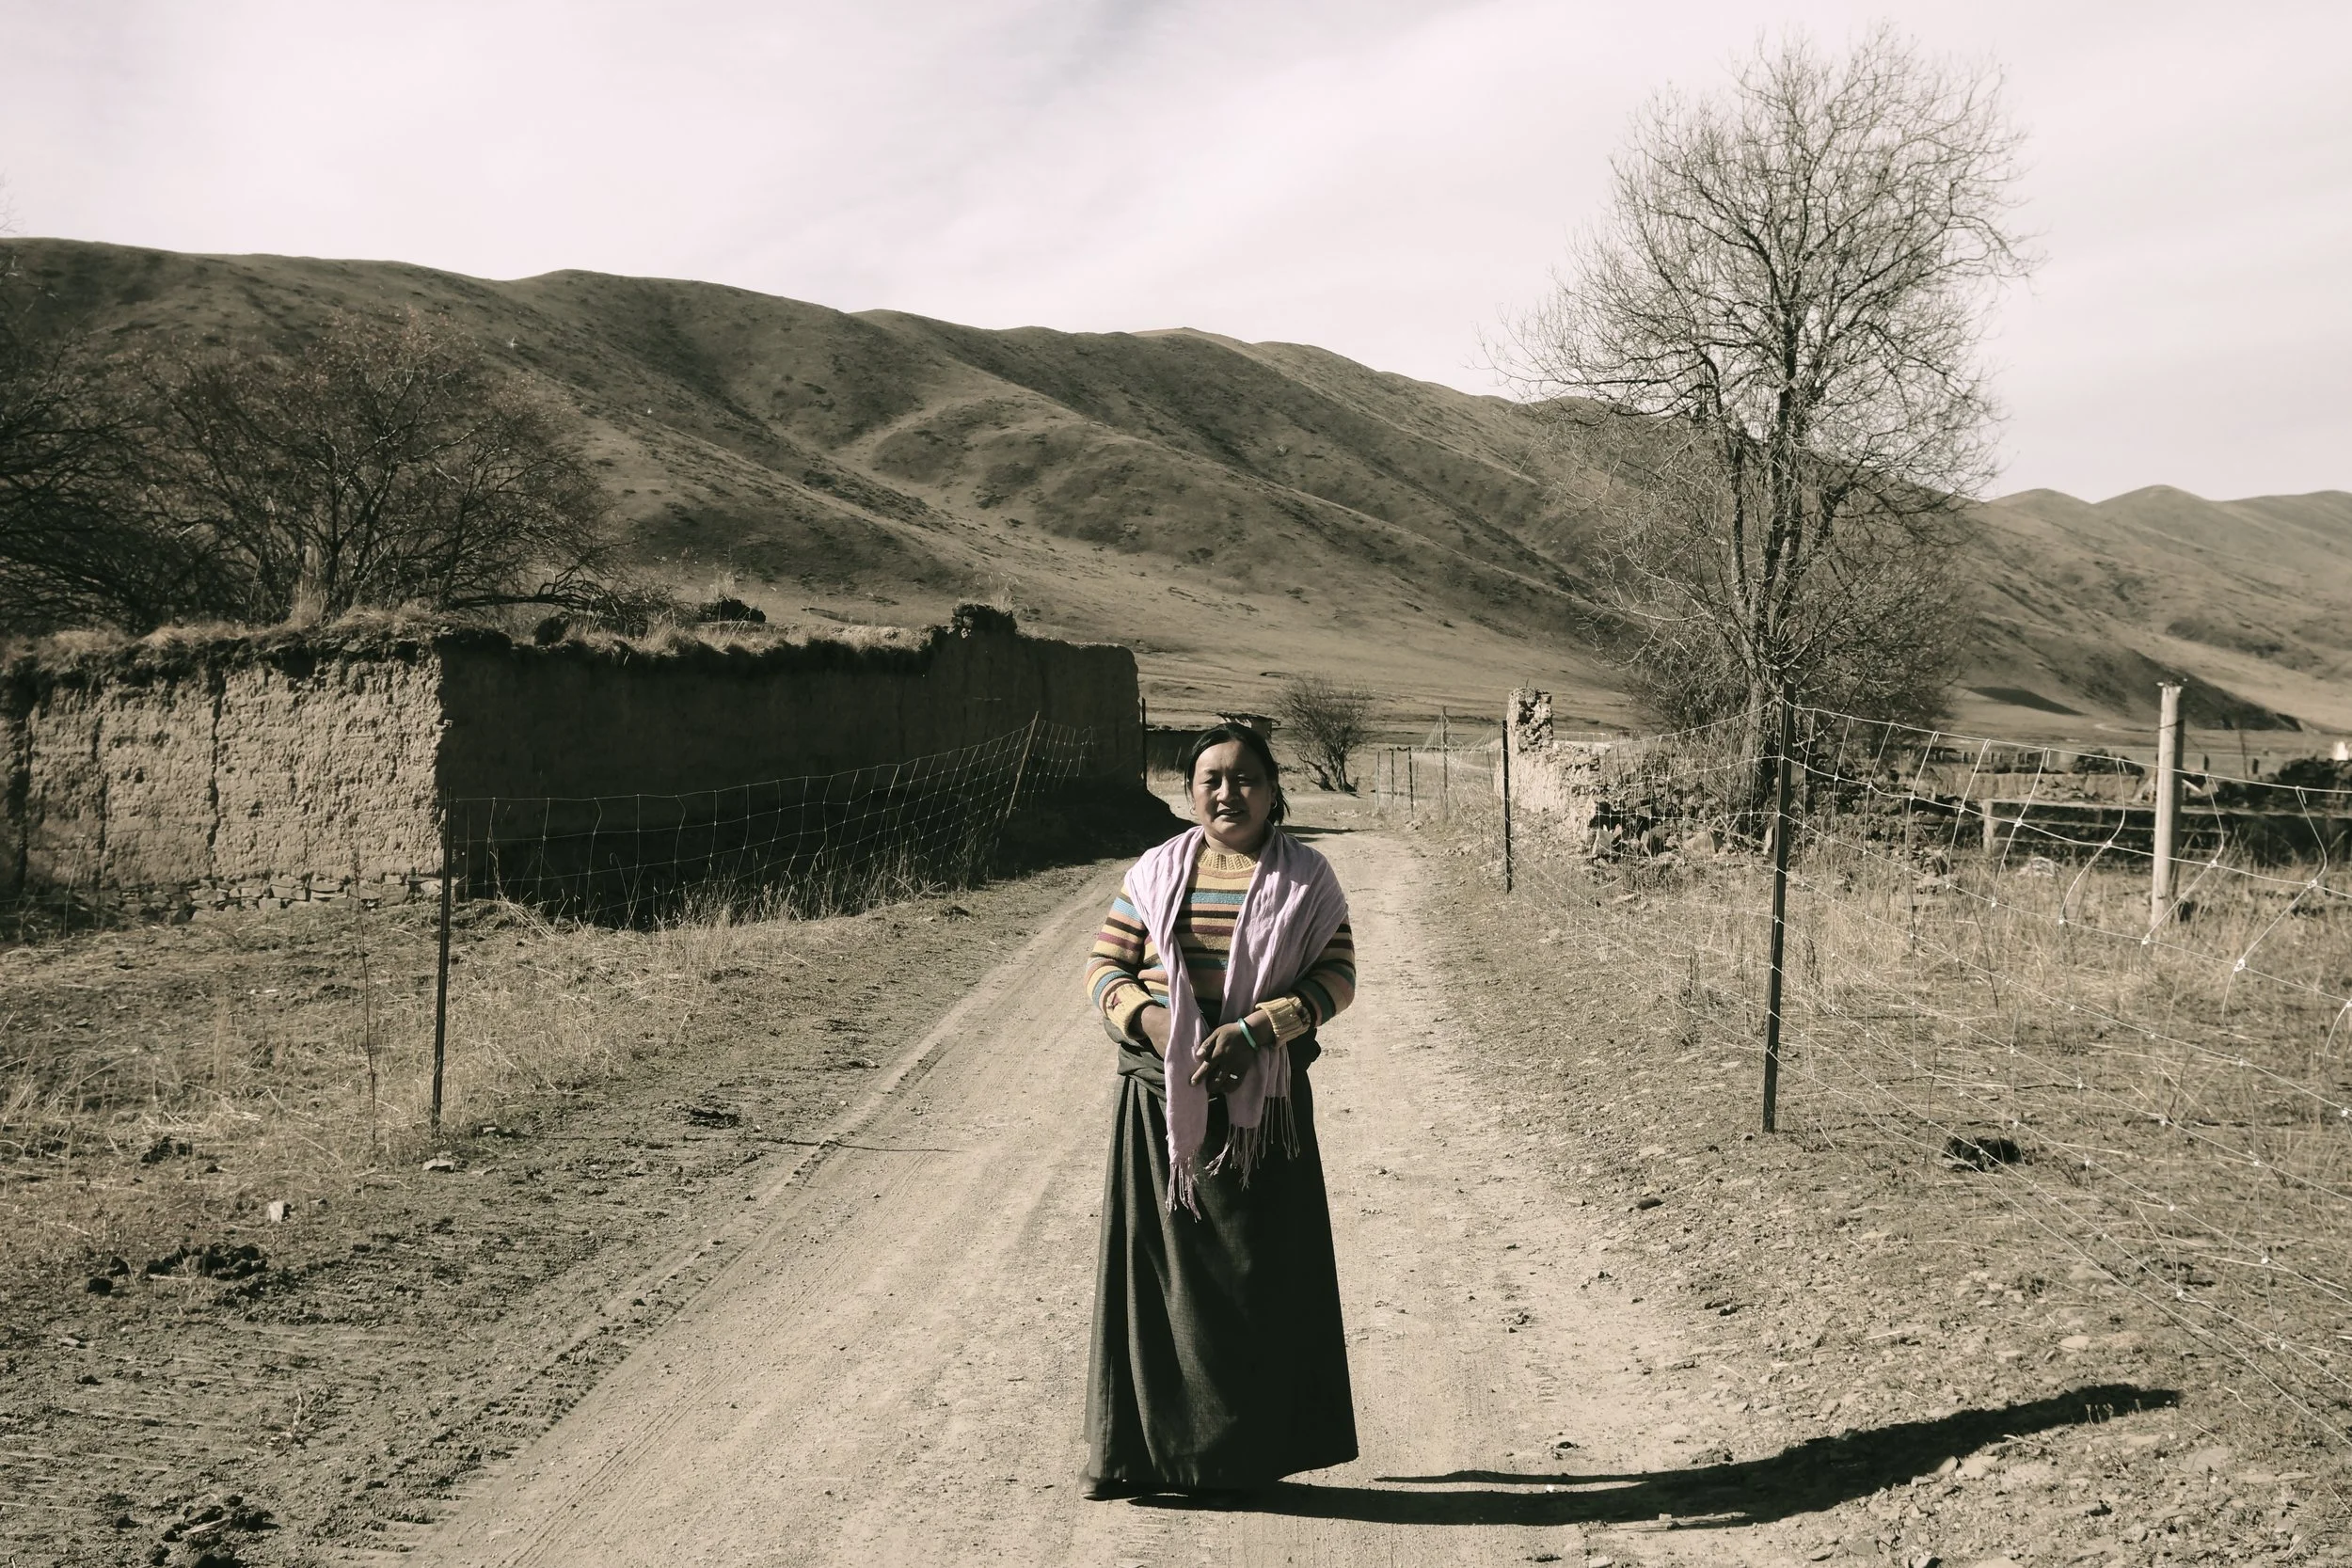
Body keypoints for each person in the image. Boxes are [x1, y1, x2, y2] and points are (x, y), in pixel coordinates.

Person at [1079, 721, 1359, 1501]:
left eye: (1244, 779)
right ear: (1189, 790)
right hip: (1156, 1097)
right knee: (1155, 1277)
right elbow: (1106, 964)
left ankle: (1244, 1456)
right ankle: (1139, 1455)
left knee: (1257, 1275)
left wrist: (1254, 1031)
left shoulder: (1308, 880)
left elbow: (1337, 978)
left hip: (1261, 1104)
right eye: (1211, 779)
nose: (1227, 792)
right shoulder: (1155, 870)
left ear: (1273, 791)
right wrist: (1155, 1020)